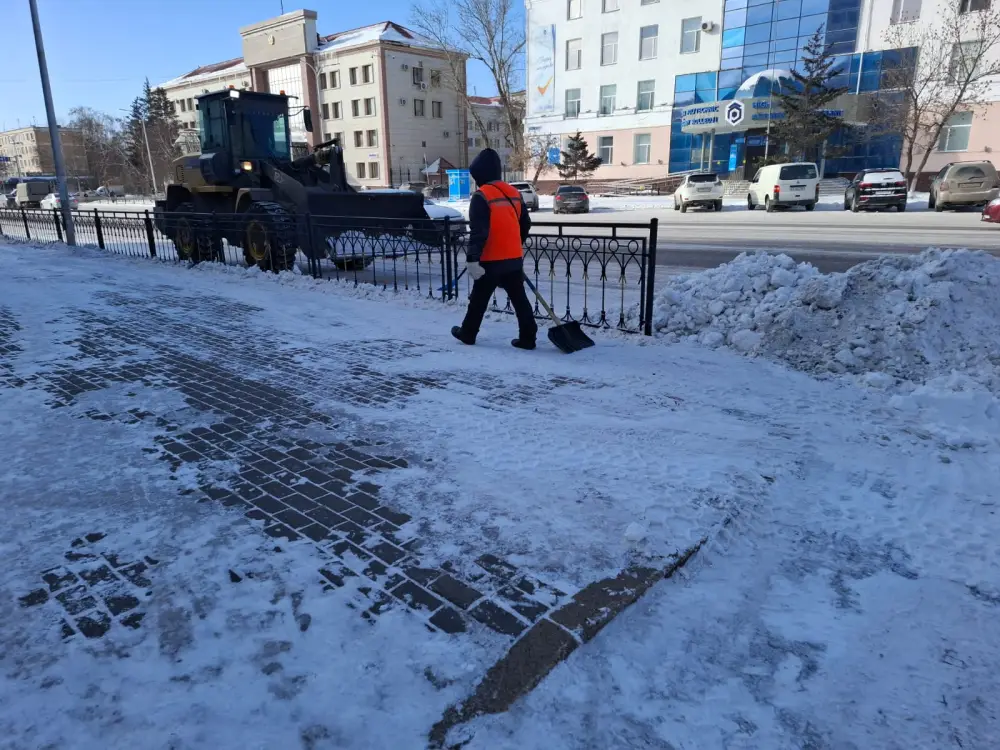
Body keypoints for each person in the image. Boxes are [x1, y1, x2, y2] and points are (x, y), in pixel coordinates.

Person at [451, 148, 538, 350]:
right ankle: (528, 338)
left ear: (480, 174)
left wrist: (472, 259)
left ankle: (468, 333)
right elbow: (525, 224)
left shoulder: (482, 196)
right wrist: (515, 245)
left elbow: (478, 231)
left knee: (479, 300)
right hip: (514, 258)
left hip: (491, 260)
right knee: (520, 300)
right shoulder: (514, 193)